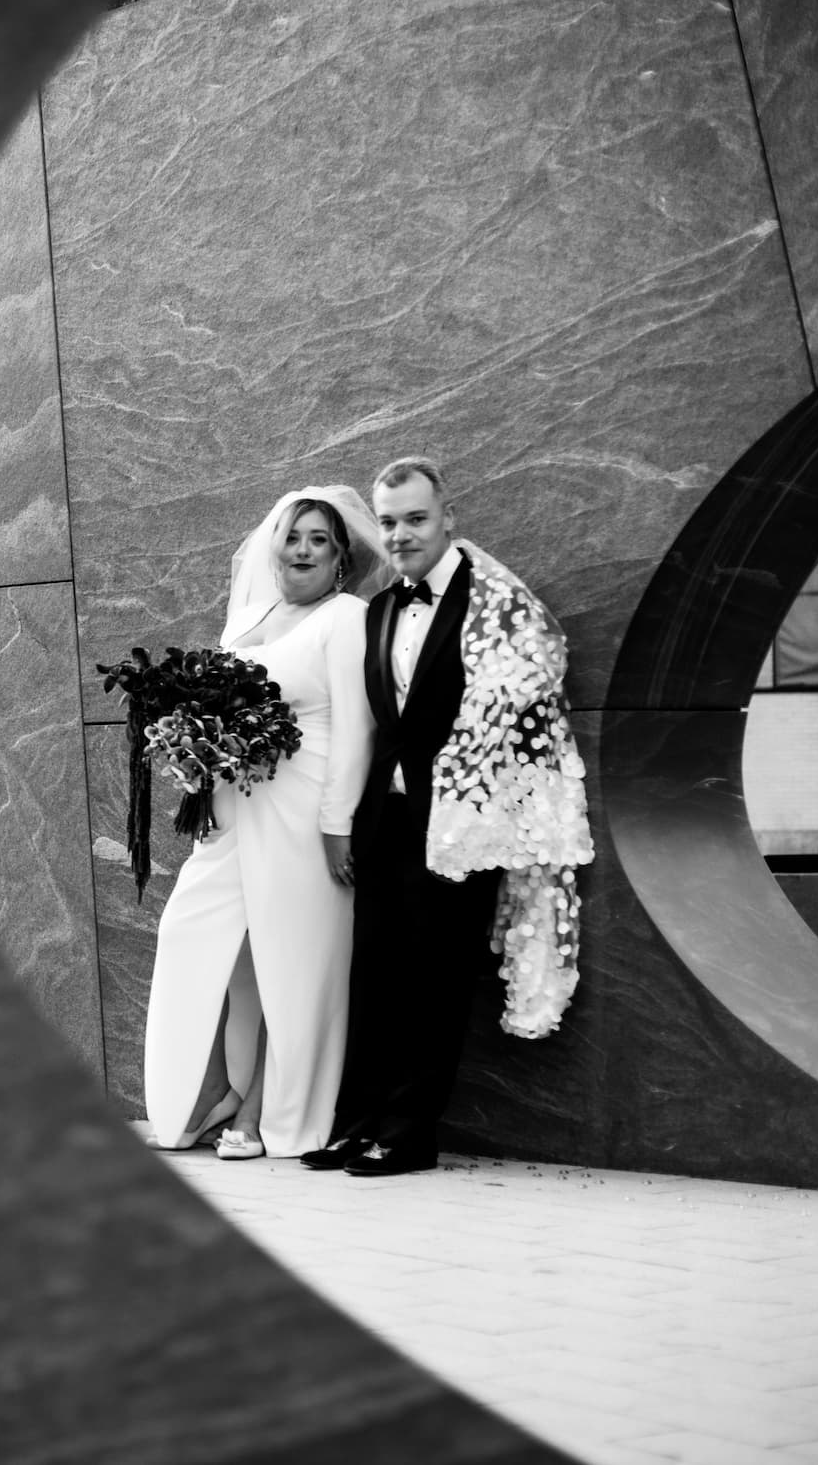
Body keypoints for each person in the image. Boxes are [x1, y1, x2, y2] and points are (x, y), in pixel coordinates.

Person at [301, 457, 592, 1178]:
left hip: (461, 827)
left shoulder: (495, 605)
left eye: (416, 519)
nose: (400, 535)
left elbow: (529, 701)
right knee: (375, 977)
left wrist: (502, 816)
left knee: (434, 982)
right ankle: (357, 1119)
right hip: (387, 819)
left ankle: (408, 1132)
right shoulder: (378, 608)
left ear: (447, 518)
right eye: (390, 521)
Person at [143, 486, 392, 1159]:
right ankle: (210, 1091)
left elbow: (355, 732)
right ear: (273, 547)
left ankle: (260, 1113)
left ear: (341, 557)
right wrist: (199, 780)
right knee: (191, 934)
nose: (303, 548)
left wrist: (339, 824)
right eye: (294, 536)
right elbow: (218, 716)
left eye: (320, 539)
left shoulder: (347, 617)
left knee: (290, 960)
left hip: (303, 815)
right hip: (232, 813)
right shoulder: (248, 617)